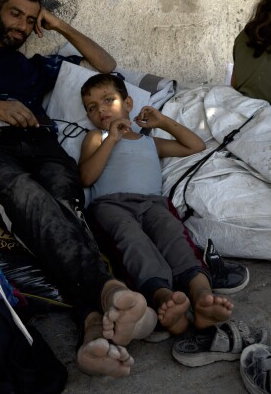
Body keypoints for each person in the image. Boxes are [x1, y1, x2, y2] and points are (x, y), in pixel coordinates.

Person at [0, 0, 149, 378]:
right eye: (15, 14)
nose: (22, 26)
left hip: (43, 145)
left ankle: (93, 326)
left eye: (31, 20)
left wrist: (59, 26)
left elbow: (106, 66)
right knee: (27, 197)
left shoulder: (35, 66)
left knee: (66, 203)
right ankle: (106, 288)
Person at [78, 73, 233, 337]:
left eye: (108, 100)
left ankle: (201, 295)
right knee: (132, 242)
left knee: (174, 237)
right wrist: (112, 139)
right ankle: (163, 298)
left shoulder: (150, 142)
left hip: (153, 204)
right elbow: (86, 176)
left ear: (128, 103)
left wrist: (163, 121)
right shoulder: (96, 138)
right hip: (111, 206)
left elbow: (194, 146)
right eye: (92, 108)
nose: (101, 110)